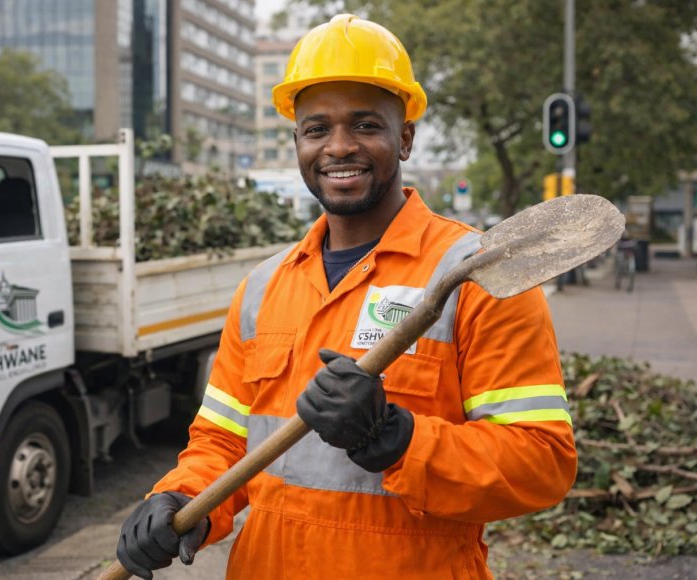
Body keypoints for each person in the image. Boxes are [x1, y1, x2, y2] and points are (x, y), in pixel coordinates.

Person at [115, 14, 577, 579]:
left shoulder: (475, 277)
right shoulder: (262, 288)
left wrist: (398, 438)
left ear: (404, 136)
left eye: (364, 125)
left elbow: (542, 462)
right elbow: (222, 440)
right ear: (296, 142)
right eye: (316, 129)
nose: (338, 147)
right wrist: (175, 501)